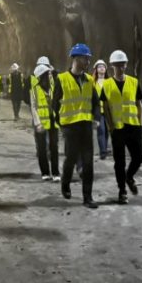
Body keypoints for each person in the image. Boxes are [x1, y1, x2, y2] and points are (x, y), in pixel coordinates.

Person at [53, 43, 100, 209]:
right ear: (75, 59)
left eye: (88, 58)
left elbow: (95, 102)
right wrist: (61, 124)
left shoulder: (89, 80)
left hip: (86, 125)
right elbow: (55, 104)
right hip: (70, 127)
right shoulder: (62, 79)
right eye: (85, 58)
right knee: (71, 159)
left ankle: (88, 197)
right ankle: (65, 183)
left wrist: (96, 117)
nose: (88, 61)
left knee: (88, 163)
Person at [102, 50, 142, 205]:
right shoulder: (106, 84)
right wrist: (110, 126)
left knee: (139, 157)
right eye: (117, 65)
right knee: (119, 162)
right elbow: (105, 106)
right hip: (117, 128)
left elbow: (139, 103)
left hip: (133, 126)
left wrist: (140, 123)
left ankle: (129, 176)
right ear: (112, 66)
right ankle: (122, 191)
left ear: (126, 65)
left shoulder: (134, 82)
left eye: (122, 65)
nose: (120, 68)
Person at [29, 64, 60, 181]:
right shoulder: (34, 90)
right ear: (42, 76)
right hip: (41, 122)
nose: (50, 75)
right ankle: (45, 172)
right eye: (48, 74)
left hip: (53, 121)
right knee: (42, 149)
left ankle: (56, 173)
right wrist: (37, 123)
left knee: (54, 147)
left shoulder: (53, 87)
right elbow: (33, 107)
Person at [93, 60, 110, 161]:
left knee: (107, 131)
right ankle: (103, 152)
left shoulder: (109, 82)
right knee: (101, 130)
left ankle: (104, 149)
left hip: (108, 110)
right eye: (99, 67)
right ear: (96, 69)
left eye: (103, 67)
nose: (101, 68)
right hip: (98, 111)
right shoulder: (93, 82)